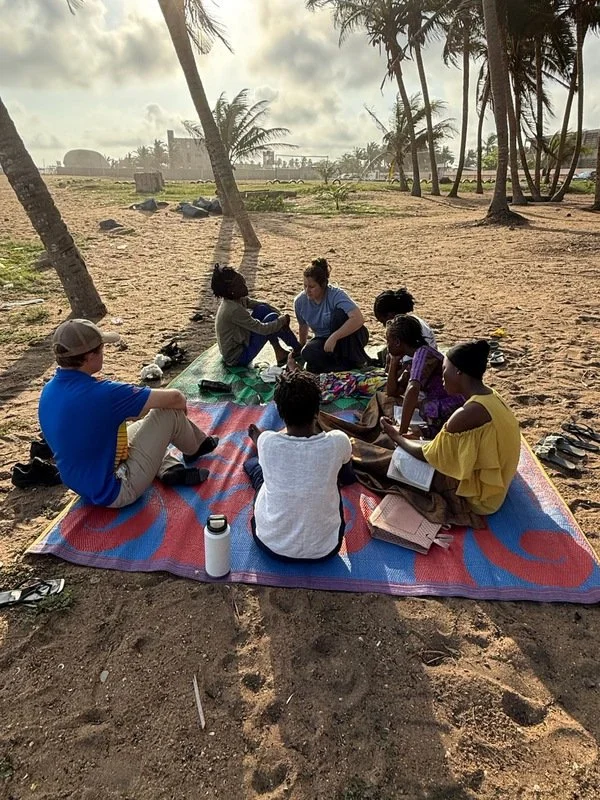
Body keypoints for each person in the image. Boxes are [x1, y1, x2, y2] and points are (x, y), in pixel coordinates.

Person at [38, 319, 219, 508]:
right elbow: (175, 398)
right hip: (115, 490)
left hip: (81, 483)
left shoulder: (49, 390)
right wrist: (180, 416)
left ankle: (169, 469)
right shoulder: (104, 393)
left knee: (139, 427)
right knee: (168, 414)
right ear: (90, 356)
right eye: (102, 349)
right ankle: (194, 448)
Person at [381, 340, 520, 515]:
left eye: (444, 370)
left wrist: (396, 436)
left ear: (459, 372)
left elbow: (427, 455)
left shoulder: (465, 414)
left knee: (394, 462)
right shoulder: (491, 396)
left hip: (482, 500)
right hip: (499, 487)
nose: (442, 376)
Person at [244, 371, 353, 562]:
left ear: (280, 413)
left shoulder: (267, 442)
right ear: (318, 412)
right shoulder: (338, 441)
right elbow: (346, 475)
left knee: (257, 469)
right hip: (326, 548)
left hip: (271, 544)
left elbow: (264, 441)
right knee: (335, 477)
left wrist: (257, 438)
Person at [386, 314, 462, 437]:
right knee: (396, 401)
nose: (387, 345)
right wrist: (393, 362)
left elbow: (413, 389)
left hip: (453, 406)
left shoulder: (423, 354)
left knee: (422, 405)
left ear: (397, 342)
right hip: (443, 405)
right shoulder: (414, 359)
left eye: (388, 341)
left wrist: (401, 432)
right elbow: (392, 392)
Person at [212, 263, 300, 367]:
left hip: (243, 342)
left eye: (243, 281)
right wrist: (281, 321)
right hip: (237, 357)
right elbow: (262, 329)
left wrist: (279, 314)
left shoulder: (236, 299)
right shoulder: (233, 309)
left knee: (263, 310)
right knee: (273, 319)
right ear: (231, 290)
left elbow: (261, 305)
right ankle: (296, 348)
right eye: (241, 285)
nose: (245, 286)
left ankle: (282, 351)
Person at [294, 258, 369, 374]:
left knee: (338, 315)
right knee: (308, 352)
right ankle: (342, 367)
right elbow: (303, 326)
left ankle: (355, 361)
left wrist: (334, 337)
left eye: (312, 287)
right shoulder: (300, 301)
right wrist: (300, 349)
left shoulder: (336, 294)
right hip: (324, 341)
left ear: (323, 285)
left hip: (348, 338)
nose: (307, 290)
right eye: (305, 286)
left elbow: (358, 318)